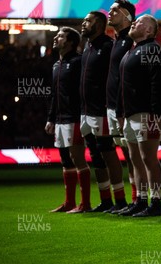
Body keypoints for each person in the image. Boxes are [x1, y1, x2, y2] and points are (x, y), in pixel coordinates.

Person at [117, 15, 161, 217]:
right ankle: (141, 200)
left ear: (148, 30)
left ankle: (156, 203)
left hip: (147, 113)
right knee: (136, 159)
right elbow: (123, 87)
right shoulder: (133, 51)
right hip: (131, 113)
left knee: (148, 158)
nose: (134, 24)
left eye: (138, 23)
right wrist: (122, 113)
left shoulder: (153, 49)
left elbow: (158, 83)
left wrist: (156, 113)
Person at [79, 11, 127, 212]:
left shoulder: (108, 46)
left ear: (98, 25)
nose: (84, 23)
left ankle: (120, 200)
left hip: (101, 110)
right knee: (95, 156)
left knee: (108, 153)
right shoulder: (87, 47)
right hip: (86, 111)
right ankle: (106, 199)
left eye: (88, 21)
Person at [45, 27, 91, 213]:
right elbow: (55, 96)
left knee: (77, 158)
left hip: (74, 118)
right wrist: (51, 118)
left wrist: (82, 116)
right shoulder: (57, 65)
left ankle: (85, 204)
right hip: (60, 119)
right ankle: (69, 202)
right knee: (65, 159)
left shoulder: (78, 62)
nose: (56, 38)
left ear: (71, 42)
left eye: (61, 36)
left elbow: (83, 92)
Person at [105, 0, 136, 214]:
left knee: (133, 155)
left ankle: (138, 199)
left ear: (127, 16)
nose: (110, 12)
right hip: (113, 106)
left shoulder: (130, 42)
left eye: (115, 10)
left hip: (125, 107)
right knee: (127, 155)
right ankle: (127, 200)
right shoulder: (116, 41)